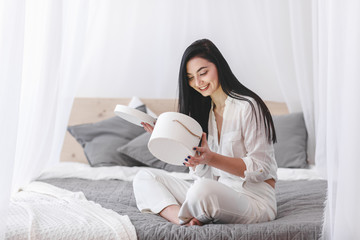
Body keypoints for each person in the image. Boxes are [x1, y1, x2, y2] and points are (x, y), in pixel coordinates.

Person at [134, 39, 278, 226]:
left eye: (203, 73)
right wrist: (166, 137)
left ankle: (192, 213)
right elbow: (202, 176)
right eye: (191, 77)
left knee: (201, 191)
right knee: (144, 178)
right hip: (215, 191)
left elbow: (261, 168)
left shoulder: (248, 106)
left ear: (218, 66)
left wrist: (211, 159)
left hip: (253, 200)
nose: (197, 82)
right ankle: (183, 219)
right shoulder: (204, 113)